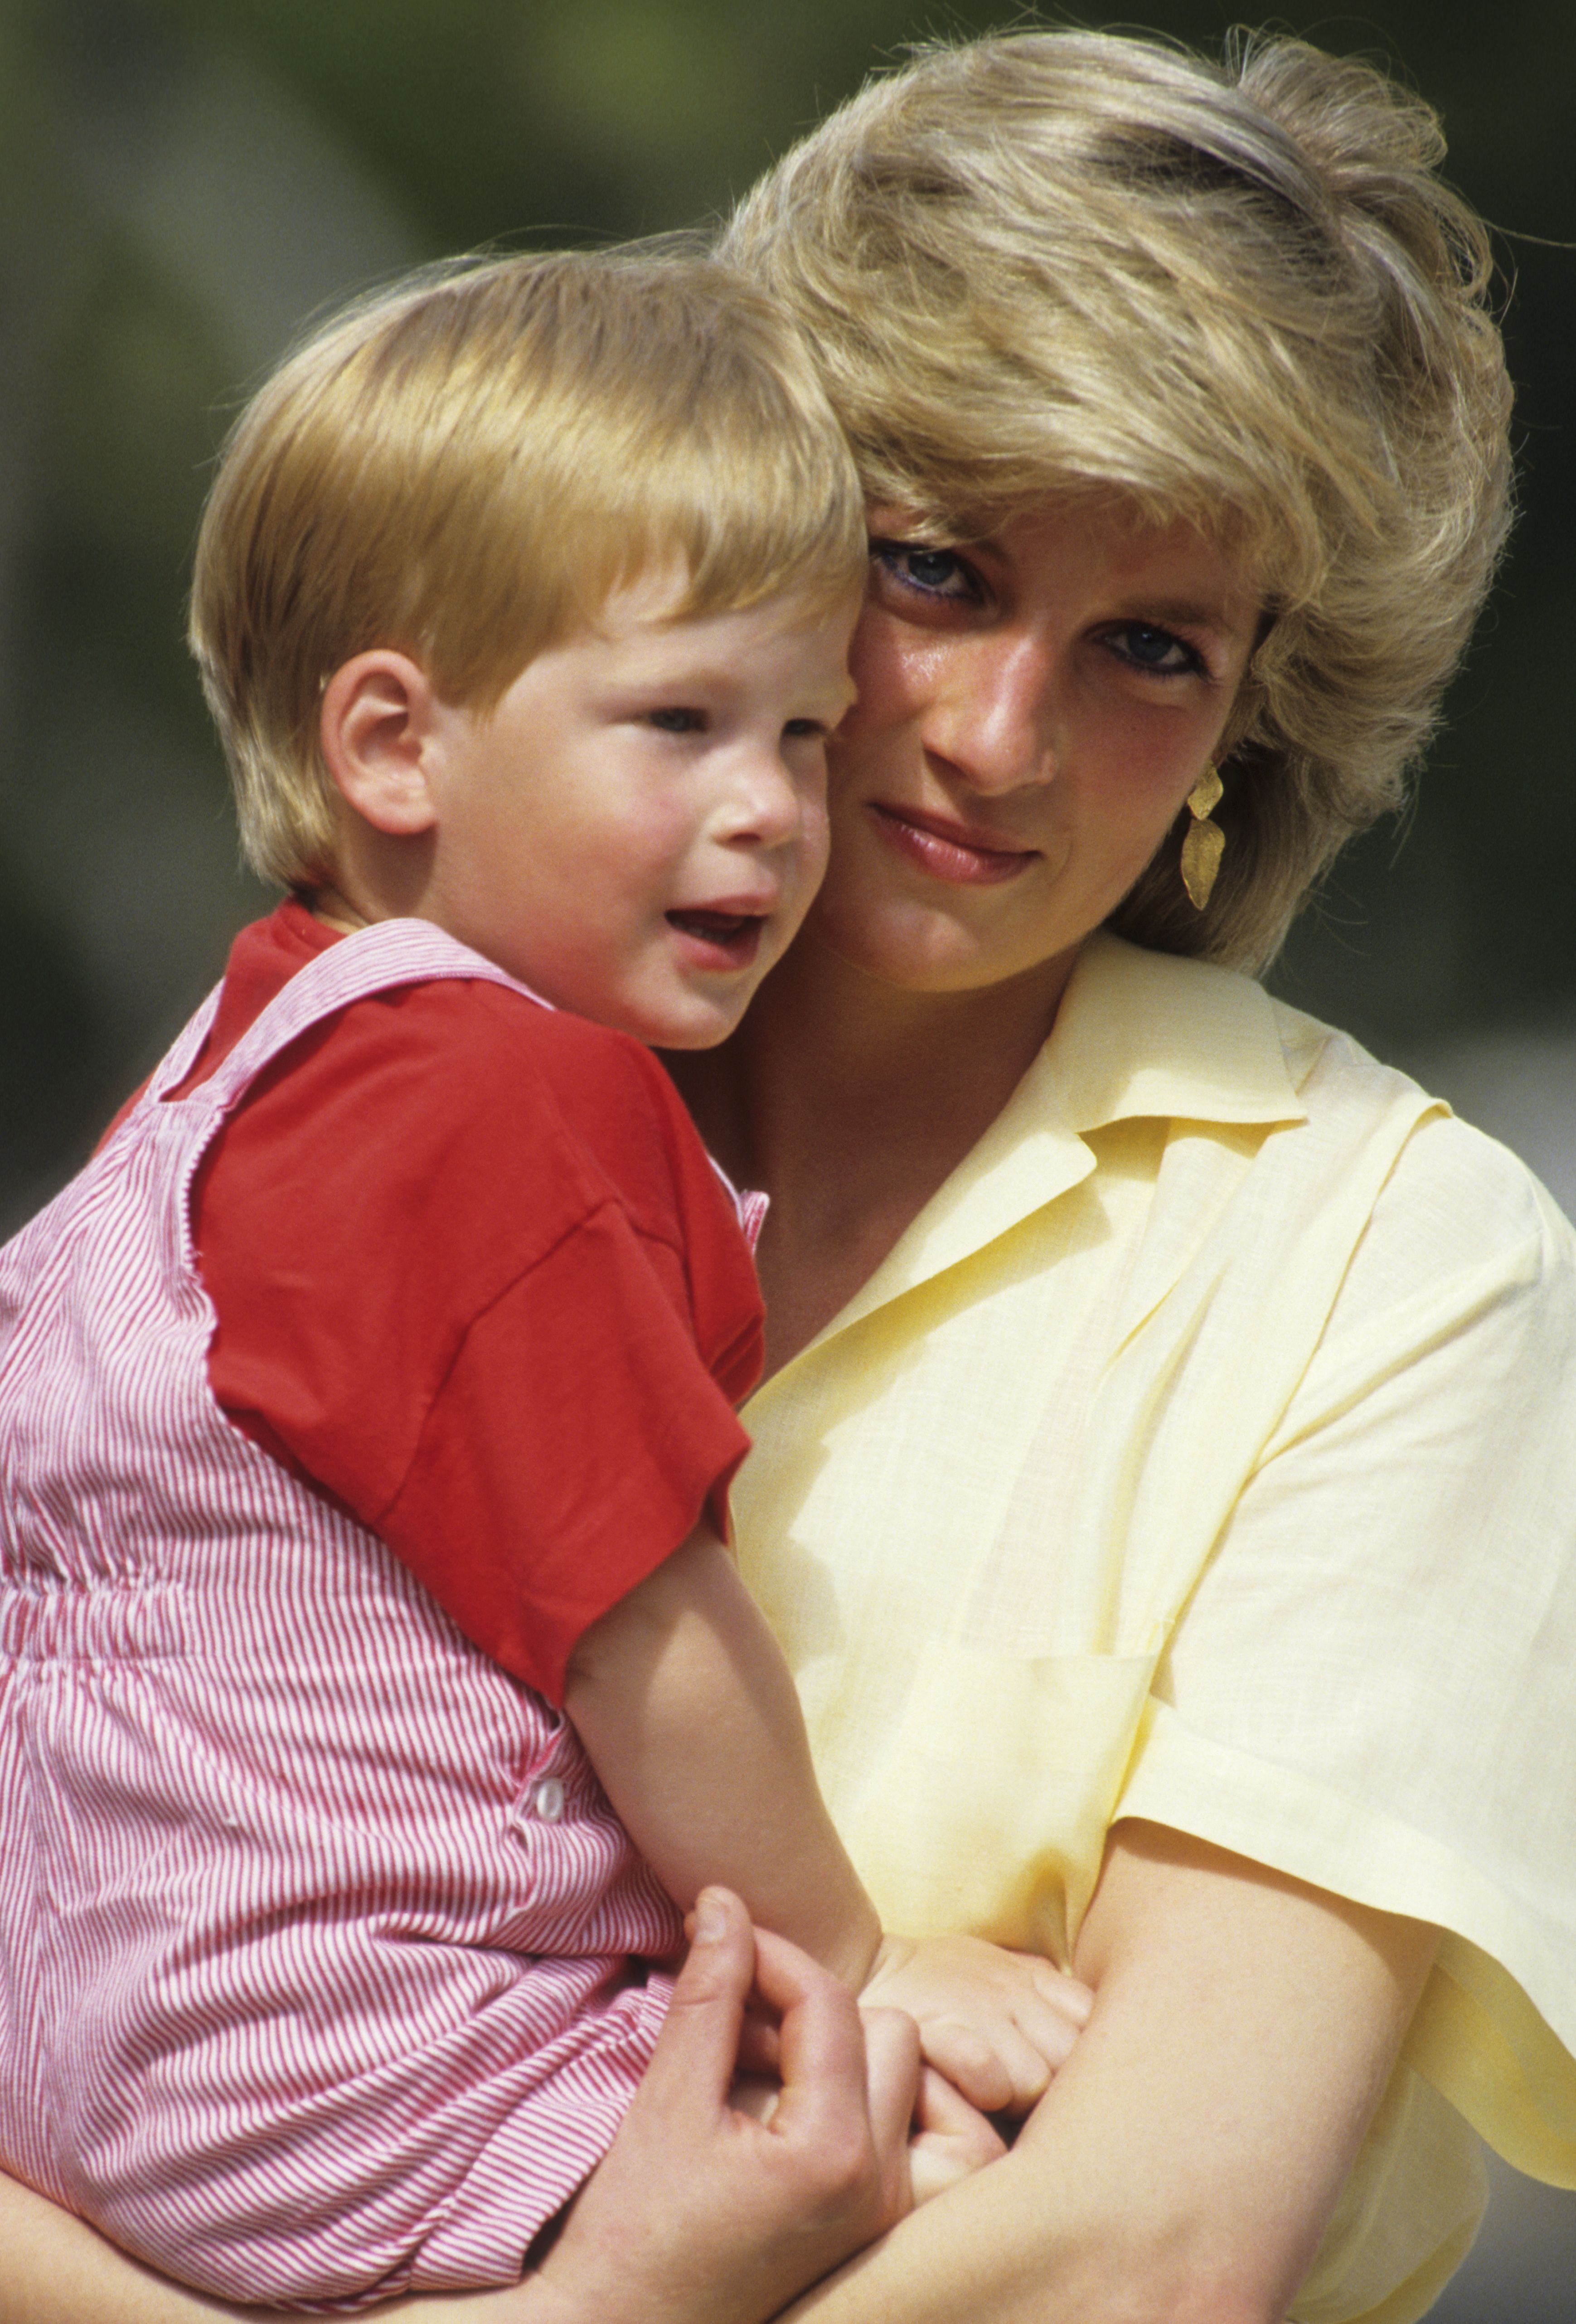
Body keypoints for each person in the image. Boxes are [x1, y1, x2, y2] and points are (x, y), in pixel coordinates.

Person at [5, 23, 1576, 2324]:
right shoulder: (348, 1086)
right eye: (935, 568)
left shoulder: (1391, 1257)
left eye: (1152, 645)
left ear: (1261, 724)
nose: (995, 732)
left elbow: (1144, 2254)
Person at [0, 248, 1078, 2312]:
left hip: (96, 2097)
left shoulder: (222, 1079)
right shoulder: (500, 1097)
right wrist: (861, 1962)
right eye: (680, 722)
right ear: (395, 744)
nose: (774, 810)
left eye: (806, 728)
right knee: (963, 2191)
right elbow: (639, 1630)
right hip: (380, 2087)